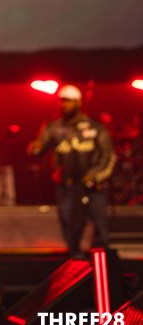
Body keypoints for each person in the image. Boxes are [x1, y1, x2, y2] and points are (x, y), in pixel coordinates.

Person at [28, 84, 116, 256]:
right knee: (69, 222)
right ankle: (75, 257)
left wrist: (94, 176)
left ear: (78, 102)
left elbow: (107, 155)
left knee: (99, 223)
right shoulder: (53, 127)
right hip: (66, 184)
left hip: (92, 185)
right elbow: (38, 148)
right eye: (62, 101)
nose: (65, 105)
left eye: (69, 101)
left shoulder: (94, 126)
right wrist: (35, 147)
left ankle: (102, 260)